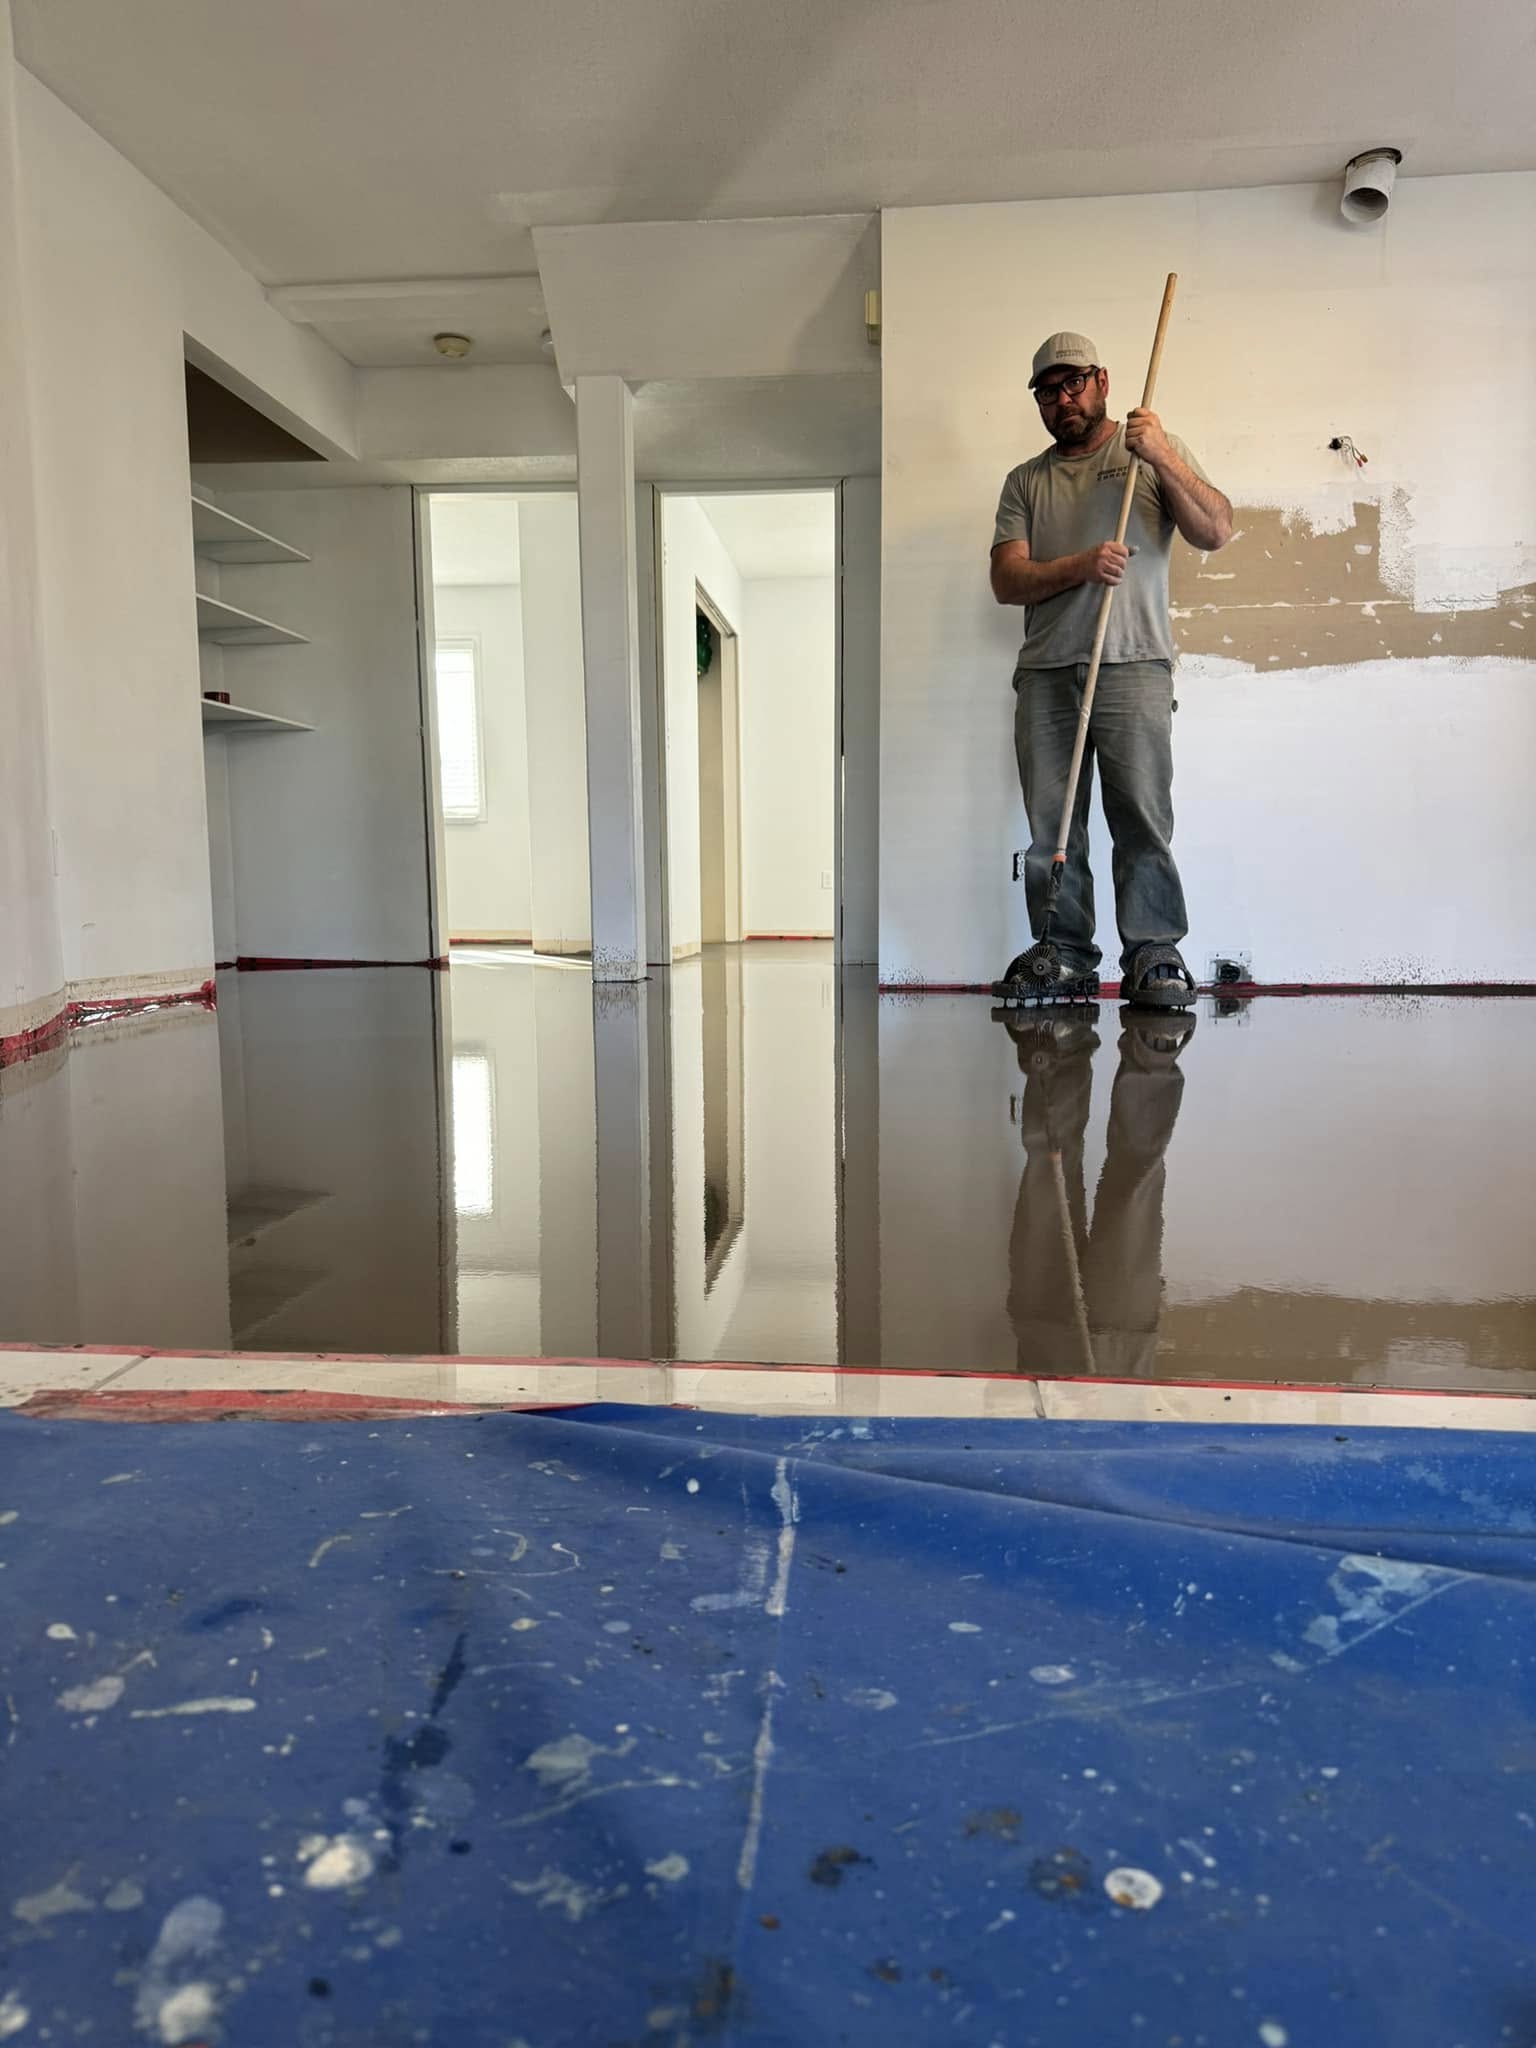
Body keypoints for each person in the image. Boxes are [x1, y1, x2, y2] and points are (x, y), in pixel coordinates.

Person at [990, 331, 1232, 1007]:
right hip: (1046, 673)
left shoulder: (1147, 452)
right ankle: (1063, 954)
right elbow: (1007, 580)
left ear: (1101, 381)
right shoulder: (1025, 481)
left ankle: (1154, 952)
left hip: (1134, 664)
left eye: (1073, 383)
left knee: (1141, 819)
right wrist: (1081, 566)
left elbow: (1215, 530)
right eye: (1048, 391)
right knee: (1051, 828)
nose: (1062, 400)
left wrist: (1161, 455)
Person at [1005, 1006, 1195, 1377]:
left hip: (1057, 1352)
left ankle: (1071, 1046)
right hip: (1118, 1359)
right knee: (1118, 1191)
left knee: (1057, 1180)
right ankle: (1145, 1051)